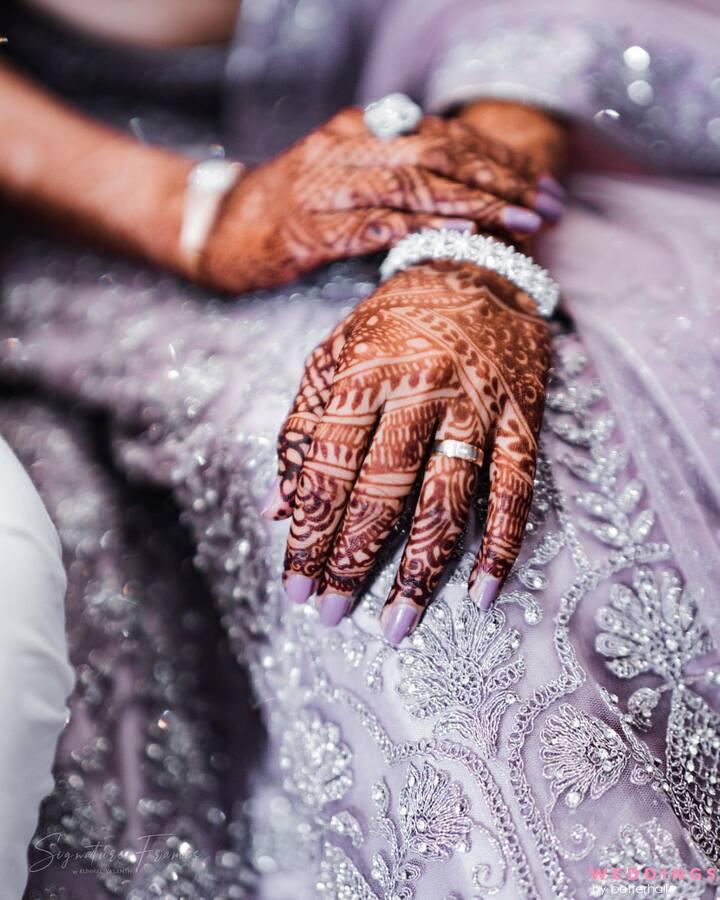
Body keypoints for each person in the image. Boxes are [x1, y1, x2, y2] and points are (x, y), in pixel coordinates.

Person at [1, 0, 718, 896]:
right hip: (87, 212)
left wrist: (471, 243)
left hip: (501, 105)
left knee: (507, 446)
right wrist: (191, 214)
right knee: (347, 491)